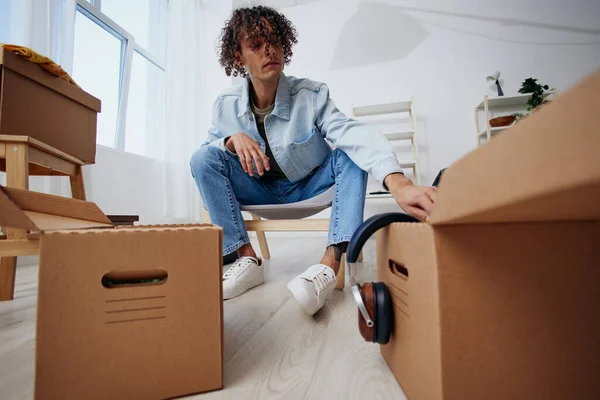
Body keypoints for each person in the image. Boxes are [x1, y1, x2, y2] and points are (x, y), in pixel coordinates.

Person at [190, 6, 436, 315]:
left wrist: (398, 182)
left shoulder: (311, 94)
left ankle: (329, 265)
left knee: (348, 154)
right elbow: (204, 158)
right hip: (257, 189)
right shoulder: (225, 106)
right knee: (203, 158)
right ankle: (246, 258)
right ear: (239, 57)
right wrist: (228, 140)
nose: (270, 50)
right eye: (256, 44)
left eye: (276, 41)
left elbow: (349, 133)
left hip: (309, 186)